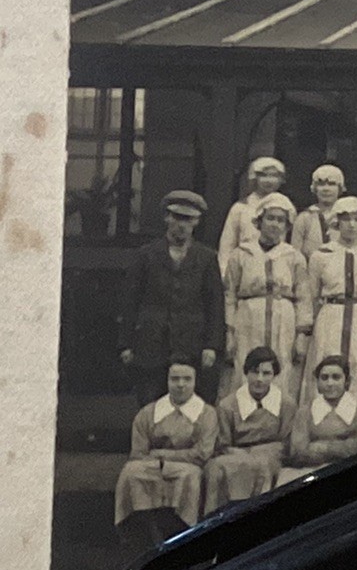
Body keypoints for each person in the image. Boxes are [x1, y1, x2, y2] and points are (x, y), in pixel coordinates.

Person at [118, 190, 226, 404]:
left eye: (188, 219)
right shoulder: (146, 255)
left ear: (196, 222)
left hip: (191, 345)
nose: (182, 225)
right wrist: (126, 343)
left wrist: (211, 346)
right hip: (151, 345)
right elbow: (131, 301)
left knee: (192, 407)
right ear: (167, 217)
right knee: (150, 404)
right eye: (177, 217)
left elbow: (215, 304)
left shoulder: (207, 258)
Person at [113, 357, 219, 548]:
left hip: (190, 468)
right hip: (151, 466)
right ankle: (140, 534)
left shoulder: (207, 414)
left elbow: (202, 453)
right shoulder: (148, 413)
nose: (181, 385)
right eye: (175, 379)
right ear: (167, 381)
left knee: (189, 478)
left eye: (187, 379)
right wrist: (156, 460)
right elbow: (138, 452)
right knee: (131, 472)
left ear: (195, 382)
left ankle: (183, 533)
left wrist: (162, 456)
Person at [223, 191, 311, 405]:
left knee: (282, 370)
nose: (274, 224)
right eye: (270, 218)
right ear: (259, 221)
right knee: (246, 366)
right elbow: (229, 295)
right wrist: (230, 332)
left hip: (284, 322)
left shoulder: (294, 257)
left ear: (287, 226)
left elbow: (303, 298)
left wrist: (301, 336)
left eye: (281, 220)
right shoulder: (241, 254)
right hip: (249, 318)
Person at [303, 196, 357, 413]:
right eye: (346, 219)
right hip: (331, 315)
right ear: (336, 222)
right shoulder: (321, 255)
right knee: (328, 362)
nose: (351, 225)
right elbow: (311, 294)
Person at [205, 345, 296, 510]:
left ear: (274, 375)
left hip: (270, 458)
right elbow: (223, 444)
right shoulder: (228, 405)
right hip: (235, 455)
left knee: (261, 466)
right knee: (215, 468)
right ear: (246, 372)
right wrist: (244, 454)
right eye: (255, 372)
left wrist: (259, 453)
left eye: (266, 373)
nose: (259, 379)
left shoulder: (286, 404)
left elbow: (286, 443)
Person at [276, 354, 357, 484]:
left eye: (336, 377)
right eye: (324, 378)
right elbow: (298, 451)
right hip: (310, 471)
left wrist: (322, 447)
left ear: (347, 381)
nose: (330, 383)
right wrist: (344, 445)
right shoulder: (305, 412)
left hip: (349, 468)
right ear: (317, 382)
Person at [217, 155, 287, 272]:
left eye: (274, 176)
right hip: (243, 266)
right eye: (263, 175)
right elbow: (227, 245)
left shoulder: (286, 207)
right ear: (254, 178)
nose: (269, 180)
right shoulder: (240, 208)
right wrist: (224, 271)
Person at [292, 164, 347, 263]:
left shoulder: (347, 216)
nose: (326, 189)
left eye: (331, 184)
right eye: (321, 184)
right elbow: (296, 253)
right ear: (315, 188)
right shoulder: (305, 217)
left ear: (340, 188)